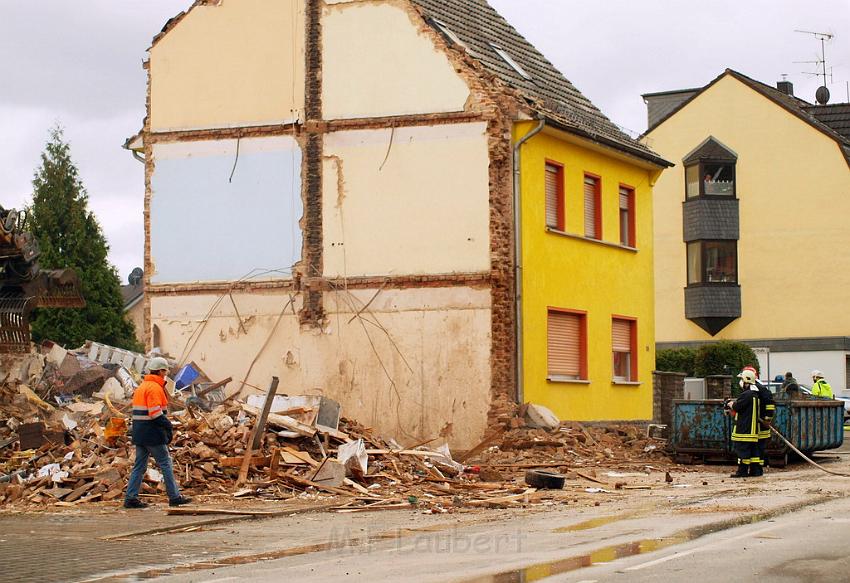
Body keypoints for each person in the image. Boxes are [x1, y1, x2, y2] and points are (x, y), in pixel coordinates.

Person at [124, 357, 192, 509]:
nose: (166, 374)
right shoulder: (154, 388)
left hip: (140, 432)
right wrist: (168, 426)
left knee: (139, 466)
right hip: (152, 433)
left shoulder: (142, 387)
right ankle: (174, 497)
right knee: (165, 463)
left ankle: (130, 498)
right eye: (165, 371)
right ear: (160, 371)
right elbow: (155, 413)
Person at [725, 369, 763, 478]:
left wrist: (729, 403)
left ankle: (742, 471)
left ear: (746, 380)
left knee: (743, 451)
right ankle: (756, 471)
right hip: (752, 430)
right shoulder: (755, 394)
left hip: (745, 429)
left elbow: (737, 407)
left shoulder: (747, 394)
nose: (740, 382)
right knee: (753, 452)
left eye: (742, 379)